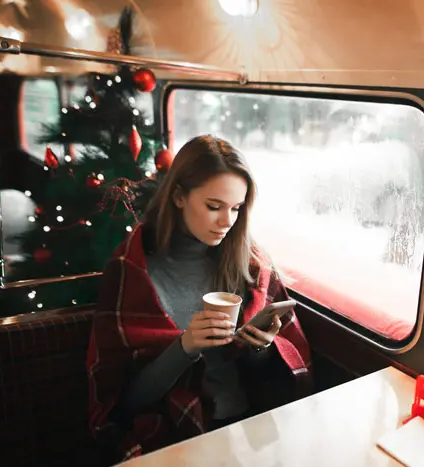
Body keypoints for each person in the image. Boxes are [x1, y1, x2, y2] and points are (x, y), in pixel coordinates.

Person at [86, 135, 313, 462]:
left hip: (249, 424)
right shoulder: (131, 272)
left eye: (236, 209)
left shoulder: (248, 262)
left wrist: (260, 347)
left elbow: (269, 376)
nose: (227, 222)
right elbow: (123, 403)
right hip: (176, 432)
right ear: (178, 197)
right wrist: (186, 347)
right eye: (213, 206)